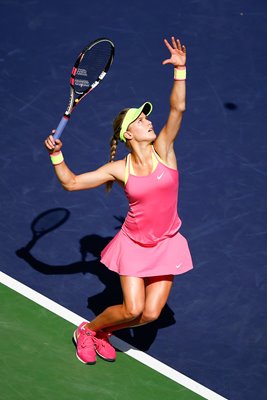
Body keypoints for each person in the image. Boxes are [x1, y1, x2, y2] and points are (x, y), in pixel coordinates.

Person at [44, 36, 193, 365]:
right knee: (132, 308)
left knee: (151, 314)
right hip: (135, 246)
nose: (148, 121)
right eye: (140, 120)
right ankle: (88, 330)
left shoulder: (165, 151)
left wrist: (180, 70)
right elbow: (71, 183)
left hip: (166, 242)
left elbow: (177, 108)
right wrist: (57, 156)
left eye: (146, 117)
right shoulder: (119, 169)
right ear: (128, 134)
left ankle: (105, 332)